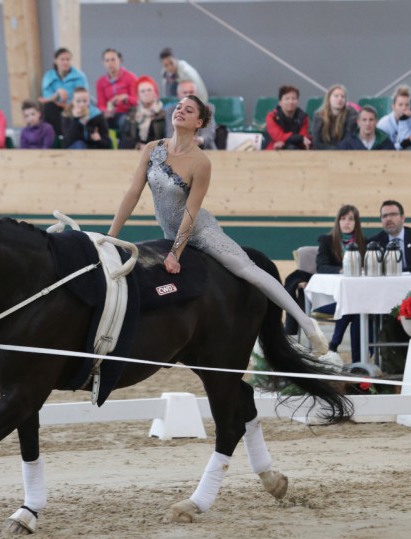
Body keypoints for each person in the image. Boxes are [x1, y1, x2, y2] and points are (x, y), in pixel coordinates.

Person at [108, 95, 329, 356]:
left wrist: (175, 253)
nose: (180, 111)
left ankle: (306, 323)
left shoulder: (201, 162)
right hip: (169, 231)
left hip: (201, 231)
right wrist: (110, 236)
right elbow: (133, 193)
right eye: (178, 107)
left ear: (198, 122)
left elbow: (190, 211)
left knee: (247, 269)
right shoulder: (152, 149)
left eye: (188, 110)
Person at [314, 205, 366, 362]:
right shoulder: (327, 241)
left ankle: (339, 349)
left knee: (355, 308)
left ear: (357, 222)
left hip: (355, 301)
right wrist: (340, 270)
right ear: (338, 221)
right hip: (329, 300)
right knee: (353, 307)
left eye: (351, 219)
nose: (347, 222)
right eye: (343, 218)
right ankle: (355, 359)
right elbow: (321, 266)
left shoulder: (364, 243)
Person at [367, 200, 411, 273]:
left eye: (393, 214)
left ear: (402, 218)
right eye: (384, 216)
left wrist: (400, 271)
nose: (388, 219)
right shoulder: (375, 242)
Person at [40, 48, 89, 136]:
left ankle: (68, 138)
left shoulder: (79, 76)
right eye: (62, 59)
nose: (65, 62)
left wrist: (70, 104)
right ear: (55, 61)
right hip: (56, 106)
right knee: (48, 107)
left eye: (68, 59)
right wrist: (57, 94)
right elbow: (46, 98)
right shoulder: (48, 76)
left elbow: (83, 95)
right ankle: (56, 138)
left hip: (74, 105)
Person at [164, 80, 217, 149]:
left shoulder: (207, 108)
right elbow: (170, 134)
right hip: (179, 148)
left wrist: (200, 140)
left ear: (196, 93)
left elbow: (209, 133)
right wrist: (185, 141)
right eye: (185, 92)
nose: (188, 95)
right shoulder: (171, 111)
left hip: (205, 149)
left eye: (191, 92)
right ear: (178, 94)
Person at [95, 48, 138, 132]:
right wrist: (105, 111)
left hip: (127, 113)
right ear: (103, 63)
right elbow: (100, 104)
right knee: (97, 123)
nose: (110, 63)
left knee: (125, 122)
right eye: (107, 60)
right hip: (110, 115)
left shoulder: (130, 77)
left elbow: (137, 100)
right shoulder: (100, 82)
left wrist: (126, 98)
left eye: (113, 59)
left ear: (120, 60)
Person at [118, 76, 166, 150]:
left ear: (155, 93)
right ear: (138, 95)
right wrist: (138, 146)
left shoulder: (163, 115)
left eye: (149, 90)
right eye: (142, 91)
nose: (146, 93)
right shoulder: (132, 114)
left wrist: (149, 148)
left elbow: (166, 140)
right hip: (134, 152)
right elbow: (124, 140)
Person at [262, 85, 311, 151]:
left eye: (293, 98)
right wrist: (299, 138)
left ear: (297, 101)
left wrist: (300, 139)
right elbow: (278, 136)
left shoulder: (303, 117)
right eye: (287, 99)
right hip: (274, 149)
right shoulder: (271, 117)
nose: (290, 102)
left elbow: (303, 138)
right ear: (280, 102)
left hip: (296, 148)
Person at [311, 84, 358, 149]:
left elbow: (348, 139)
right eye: (336, 96)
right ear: (329, 98)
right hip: (323, 152)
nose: (340, 99)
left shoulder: (351, 114)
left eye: (343, 96)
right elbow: (316, 141)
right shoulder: (319, 116)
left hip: (344, 152)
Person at [376, 85, 411, 150]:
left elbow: (407, 143)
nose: (404, 108)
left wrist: (403, 120)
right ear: (393, 107)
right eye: (400, 105)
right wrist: (400, 145)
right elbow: (383, 148)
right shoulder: (383, 123)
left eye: (407, 105)